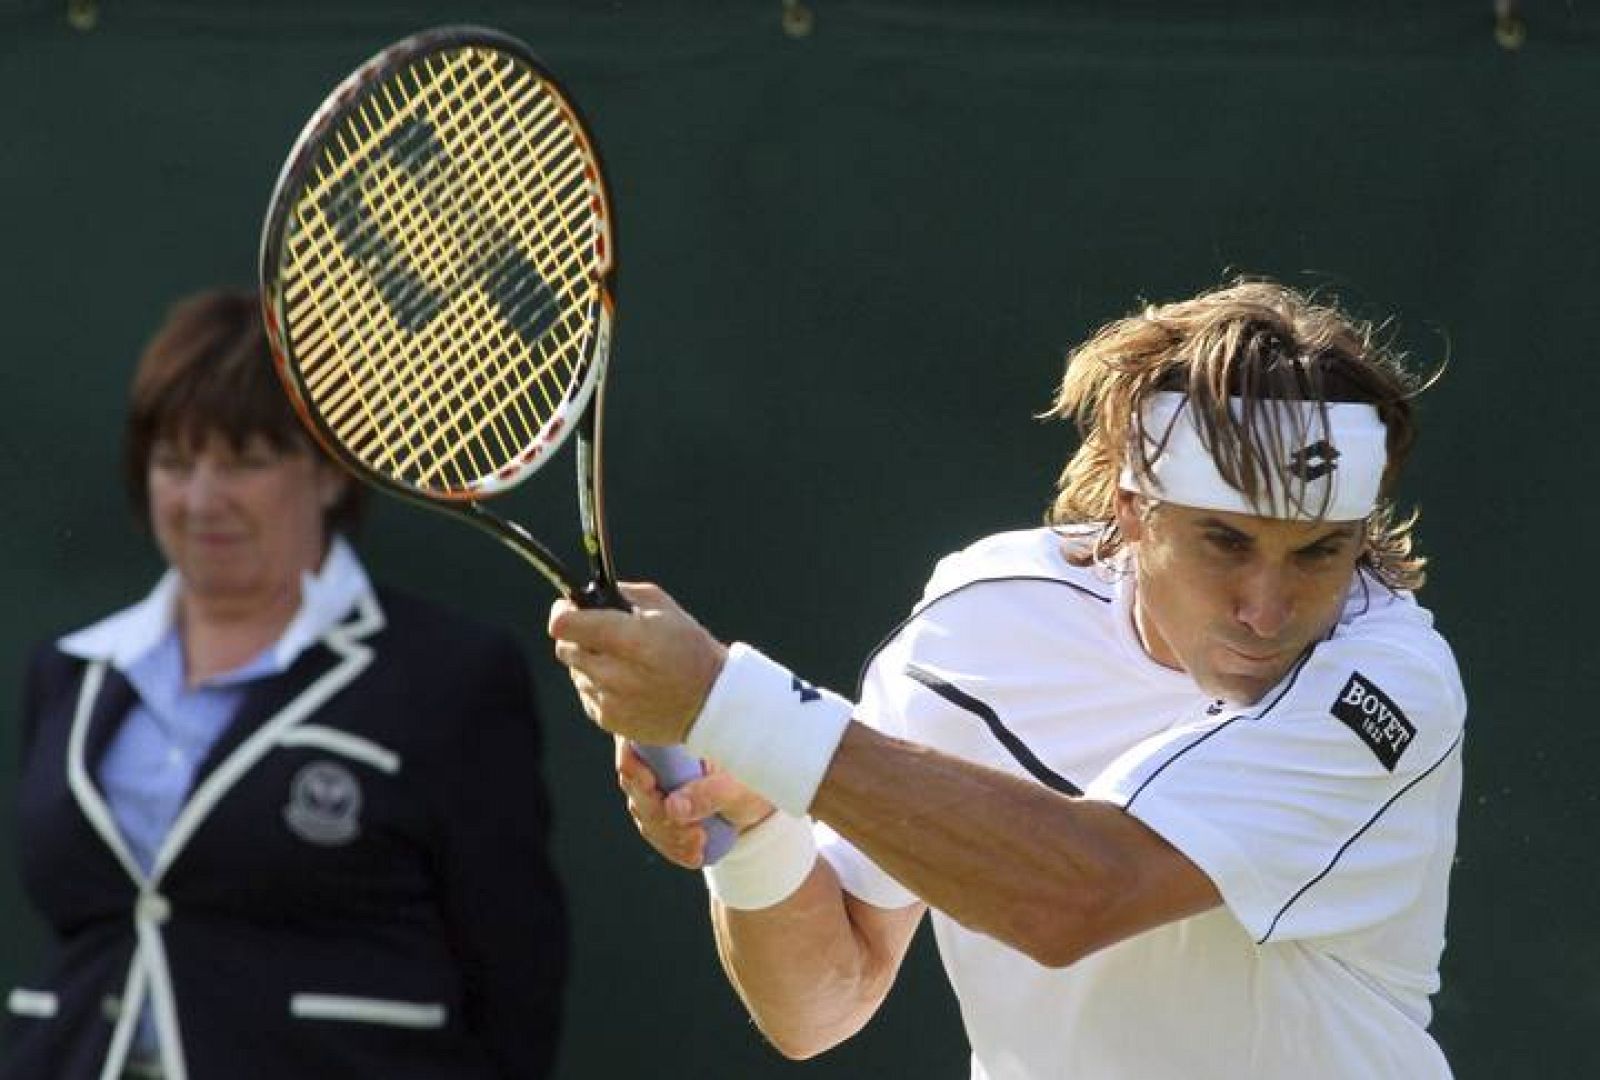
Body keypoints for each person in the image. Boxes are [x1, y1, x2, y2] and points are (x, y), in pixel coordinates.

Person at [550, 278, 1465, 1079]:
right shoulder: (984, 618)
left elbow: (1079, 895)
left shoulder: (1385, 687)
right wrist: (755, 829)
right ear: (1134, 512)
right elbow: (819, 1006)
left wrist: (728, 704)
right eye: (1225, 542)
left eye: (1318, 553)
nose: (1268, 611)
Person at [3, 289, 568, 1080]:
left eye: (245, 460)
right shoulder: (70, 675)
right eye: (174, 461)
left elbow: (515, 971)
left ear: (331, 473)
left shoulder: (450, 677)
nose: (202, 499)